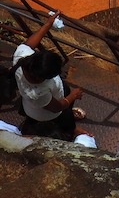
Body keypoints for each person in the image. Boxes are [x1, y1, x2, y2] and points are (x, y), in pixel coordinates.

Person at [13, 12, 85, 140]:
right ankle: (72, 129)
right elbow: (57, 107)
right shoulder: (39, 92)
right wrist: (73, 95)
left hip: (30, 105)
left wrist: (48, 24)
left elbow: (29, 44)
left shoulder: (21, 59)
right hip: (47, 113)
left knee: (65, 95)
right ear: (42, 78)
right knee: (64, 113)